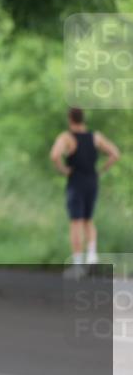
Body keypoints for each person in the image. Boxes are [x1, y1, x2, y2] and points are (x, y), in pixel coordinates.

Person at [49, 107, 121, 264]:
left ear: (70, 119)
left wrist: (64, 170)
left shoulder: (67, 137)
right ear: (83, 119)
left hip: (76, 181)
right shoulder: (95, 137)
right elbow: (115, 153)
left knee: (76, 221)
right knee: (89, 219)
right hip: (92, 180)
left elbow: (54, 155)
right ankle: (92, 256)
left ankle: (77, 261)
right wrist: (102, 170)